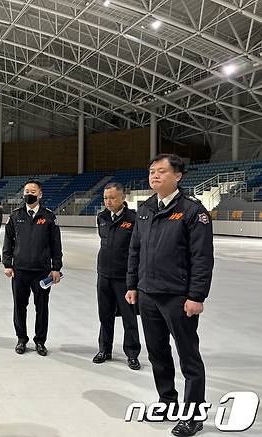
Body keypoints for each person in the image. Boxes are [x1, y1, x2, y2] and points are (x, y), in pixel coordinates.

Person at [126, 154, 214, 437]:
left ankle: (194, 414)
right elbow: (135, 251)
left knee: (188, 356)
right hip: (148, 294)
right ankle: (167, 401)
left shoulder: (192, 211)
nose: (154, 176)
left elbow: (202, 258)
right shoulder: (144, 209)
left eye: (161, 171)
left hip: (178, 297)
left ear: (178, 176)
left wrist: (197, 296)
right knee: (157, 353)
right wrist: (132, 285)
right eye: (152, 171)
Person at [2, 179, 63, 356]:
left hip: (42, 272)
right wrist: (7, 263)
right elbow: (8, 242)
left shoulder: (49, 217)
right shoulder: (15, 216)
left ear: (40, 194)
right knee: (19, 306)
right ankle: (21, 339)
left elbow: (55, 244)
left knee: (42, 308)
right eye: (27, 191)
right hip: (19, 271)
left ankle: (40, 341)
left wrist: (56, 267)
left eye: (33, 191)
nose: (29, 194)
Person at [93, 182, 141, 370]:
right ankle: (104, 349)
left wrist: (134, 280)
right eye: (105, 198)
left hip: (124, 278)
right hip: (103, 275)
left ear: (123, 198)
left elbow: (137, 249)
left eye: (112, 198)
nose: (108, 201)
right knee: (105, 315)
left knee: (129, 318)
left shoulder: (134, 219)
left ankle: (132, 353)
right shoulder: (101, 217)